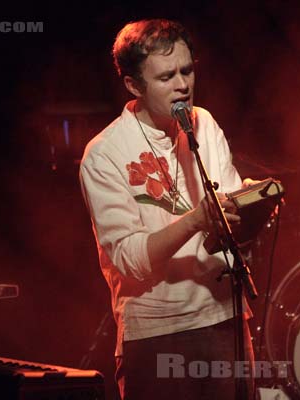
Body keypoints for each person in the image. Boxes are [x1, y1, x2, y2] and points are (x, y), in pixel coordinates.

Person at [79, 19, 257, 399]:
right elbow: (129, 259)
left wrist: (252, 208)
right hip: (158, 333)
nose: (183, 85)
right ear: (133, 85)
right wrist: (196, 218)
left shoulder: (203, 123)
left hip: (225, 318)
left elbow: (225, 227)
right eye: (166, 77)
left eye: (187, 70)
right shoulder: (105, 152)